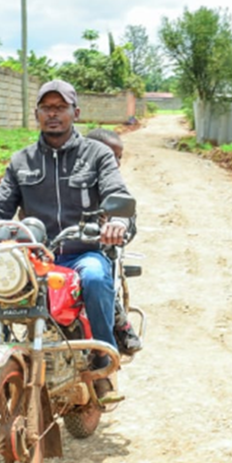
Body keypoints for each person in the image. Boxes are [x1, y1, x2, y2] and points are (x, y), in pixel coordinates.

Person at [0, 80, 132, 400]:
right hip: (34, 257)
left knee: (95, 277)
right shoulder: (22, 161)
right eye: (46, 108)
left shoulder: (97, 154)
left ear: (75, 112)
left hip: (82, 251)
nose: (53, 114)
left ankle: (101, 362)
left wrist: (117, 222)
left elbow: (117, 194)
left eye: (60, 107)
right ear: (36, 113)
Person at [83, 127, 143, 357]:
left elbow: (127, 214)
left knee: (98, 278)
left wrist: (117, 225)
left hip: (97, 248)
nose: (114, 163)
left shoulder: (112, 186)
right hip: (57, 248)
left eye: (118, 157)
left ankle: (118, 325)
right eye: (109, 156)